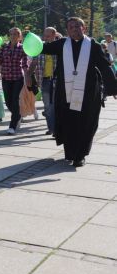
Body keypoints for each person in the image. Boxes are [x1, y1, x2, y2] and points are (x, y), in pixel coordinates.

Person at [41, 17, 117, 167]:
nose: (74, 29)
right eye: (71, 27)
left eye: (77, 26)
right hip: (66, 93)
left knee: (86, 123)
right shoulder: (62, 44)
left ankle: (80, 155)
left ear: (83, 28)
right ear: (67, 31)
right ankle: (70, 152)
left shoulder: (93, 45)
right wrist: (30, 42)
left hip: (88, 94)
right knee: (68, 122)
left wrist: (114, 88)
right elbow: (44, 48)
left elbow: (104, 66)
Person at [0, 28, 29, 135]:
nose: (13, 36)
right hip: (6, 77)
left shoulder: (23, 48)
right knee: (8, 101)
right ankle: (18, 115)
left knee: (15, 100)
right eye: (11, 34)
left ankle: (12, 126)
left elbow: (25, 64)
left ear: (19, 36)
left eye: (15, 34)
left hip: (17, 77)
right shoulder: (4, 46)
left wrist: (28, 77)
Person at [26, 27, 58, 135]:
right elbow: (34, 63)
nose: (45, 37)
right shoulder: (40, 47)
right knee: (47, 106)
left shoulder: (59, 47)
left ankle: (57, 129)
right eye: (44, 35)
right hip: (44, 81)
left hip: (57, 80)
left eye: (48, 35)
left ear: (54, 34)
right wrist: (29, 75)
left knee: (56, 105)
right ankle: (51, 128)